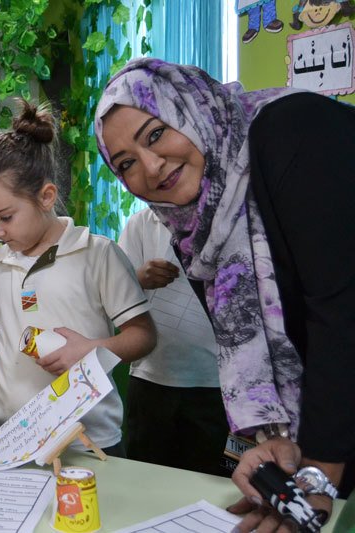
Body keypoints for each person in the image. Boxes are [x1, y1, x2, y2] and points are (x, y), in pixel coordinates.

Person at [94, 57, 355, 530]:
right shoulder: (196, 233)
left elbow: (340, 312)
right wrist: (289, 450)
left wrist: (319, 474)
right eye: (126, 164)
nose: (151, 168)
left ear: (192, 109)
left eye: (156, 133)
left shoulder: (291, 131)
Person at [0, 100, 157, 455]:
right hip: (4, 435)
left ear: (46, 196)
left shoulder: (96, 254)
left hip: (84, 441)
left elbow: (144, 336)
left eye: (6, 217)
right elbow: (0, 337)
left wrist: (92, 350)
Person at [118, 207, 227, 475]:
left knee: (214, 481)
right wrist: (140, 277)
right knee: (144, 476)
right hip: (151, 379)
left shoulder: (226, 220)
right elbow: (114, 291)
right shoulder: (141, 224)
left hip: (217, 384)